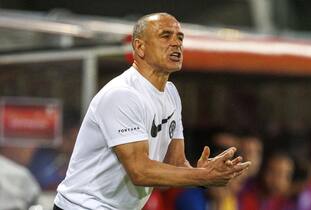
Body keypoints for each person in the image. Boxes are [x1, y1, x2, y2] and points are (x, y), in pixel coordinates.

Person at [53, 12, 251, 210]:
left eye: (179, 37)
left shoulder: (171, 94)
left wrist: (202, 173)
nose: (176, 43)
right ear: (140, 47)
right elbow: (140, 172)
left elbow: (174, 166)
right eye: (166, 36)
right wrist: (203, 176)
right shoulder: (122, 94)